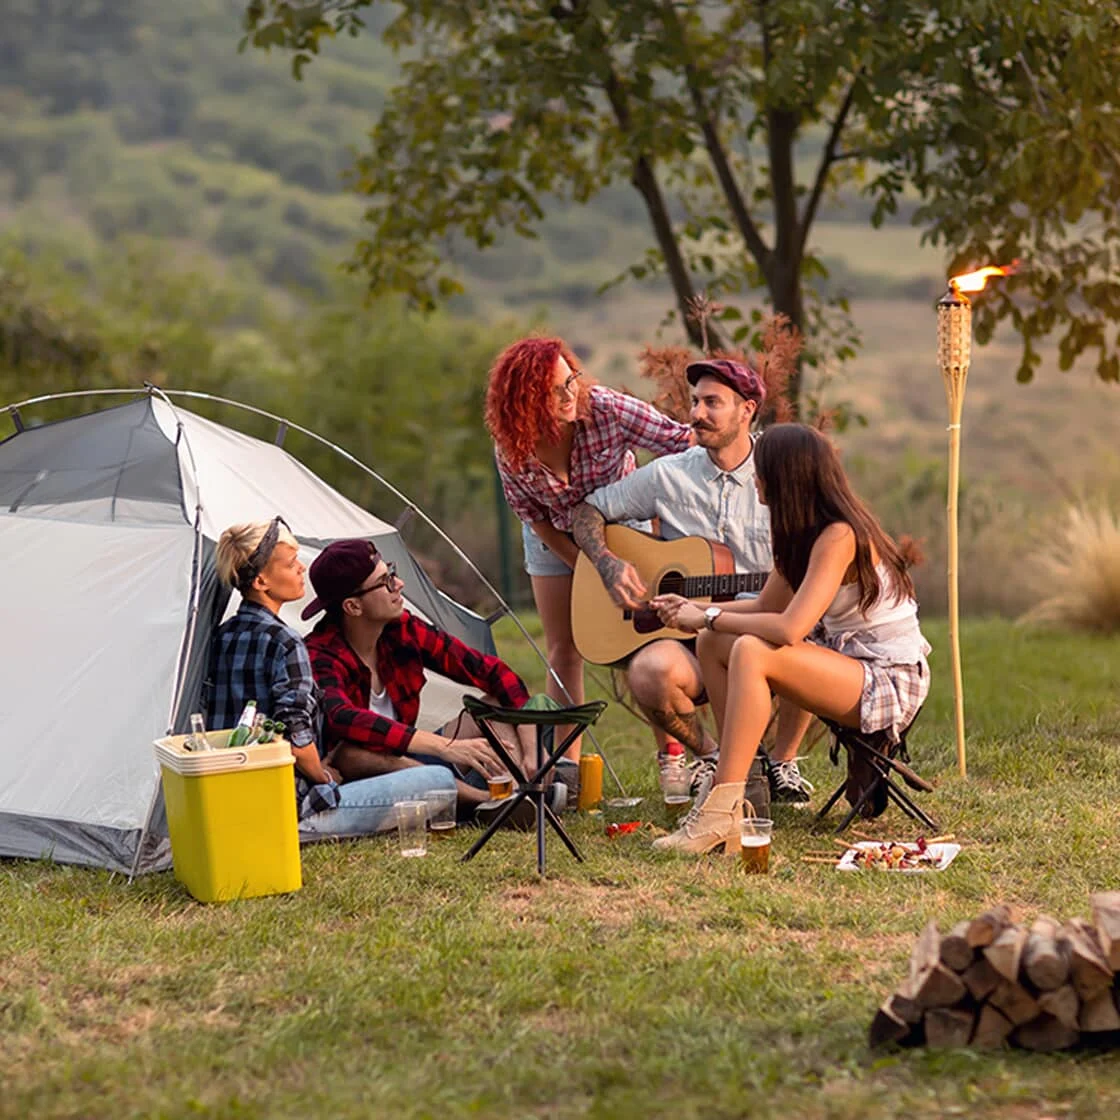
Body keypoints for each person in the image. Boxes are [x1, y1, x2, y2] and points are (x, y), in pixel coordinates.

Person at [649, 423, 931, 855]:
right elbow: (765, 607)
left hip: (887, 681)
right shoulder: (801, 533)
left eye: (760, 472)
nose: (755, 480)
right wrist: (697, 616)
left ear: (786, 477)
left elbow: (789, 628)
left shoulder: (839, 536)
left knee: (749, 648)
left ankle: (720, 810)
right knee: (713, 643)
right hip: (848, 666)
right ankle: (743, 787)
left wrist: (706, 614)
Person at [571, 358, 813, 813]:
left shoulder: (780, 473)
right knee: (649, 671)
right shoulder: (668, 474)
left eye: (712, 403)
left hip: (766, 625)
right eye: (696, 401)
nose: (696, 413)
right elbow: (586, 511)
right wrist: (606, 564)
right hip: (693, 638)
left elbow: (815, 554)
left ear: (747, 410)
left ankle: (780, 763)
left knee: (812, 625)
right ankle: (714, 758)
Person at [486, 336, 692, 785]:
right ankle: (566, 767)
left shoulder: (607, 409)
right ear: (524, 400)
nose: (569, 394)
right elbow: (535, 516)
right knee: (564, 647)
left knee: (646, 638)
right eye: (554, 389)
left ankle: (673, 761)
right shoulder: (511, 449)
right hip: (552, 539)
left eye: (571, 380)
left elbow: (682, 444)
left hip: (626, 535)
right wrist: (586, 565)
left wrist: (664, 506)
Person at [207, 518, 454, 839]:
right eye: (291, 563)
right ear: (262, 581)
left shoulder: (223, 635)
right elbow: (296, 736)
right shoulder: (285, 642)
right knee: (439, 781)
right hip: (292, 810)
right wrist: (323, 777)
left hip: (235, 798)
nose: (301, 570)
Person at [302, 538, 550, 817]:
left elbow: (494, 672)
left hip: (414, 754)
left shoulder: (402, 630)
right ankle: (482, 802)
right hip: (367, 774)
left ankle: (521, 793)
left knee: (494, 704)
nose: (398, 585)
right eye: (384, 582)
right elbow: (343, 717)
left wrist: (532, 750)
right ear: (353, 607)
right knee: (352, 753)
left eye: (392, 573)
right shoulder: (319, 654)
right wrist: (446, 747)